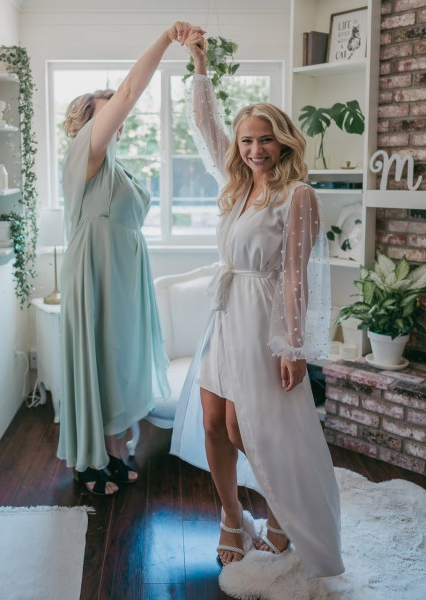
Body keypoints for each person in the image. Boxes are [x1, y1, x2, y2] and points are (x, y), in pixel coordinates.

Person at [171, 32, 345, 578]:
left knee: (256, 431)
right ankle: (231, 517)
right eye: (246, 140)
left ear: (284, 142)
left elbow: (297, 278)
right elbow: (205, 127)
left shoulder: (297, 195)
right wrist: (199, 63)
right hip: (224, 317)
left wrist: (293, 345)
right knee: (213, 423)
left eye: (264, 140)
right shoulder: (238, 182)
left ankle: (282, 516)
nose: (254, 149)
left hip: (263, 322)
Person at [57, 22, 204, 496]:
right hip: (95, 273)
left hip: (124, 276)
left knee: (119, 366)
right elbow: (127, 92)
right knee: (98, 361)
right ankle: (88, 463)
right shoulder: (88, 157)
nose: (116, 123)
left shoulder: (117, 165)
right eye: (108, 117)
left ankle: (115, 452)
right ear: (87, 125)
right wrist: (165, 40)